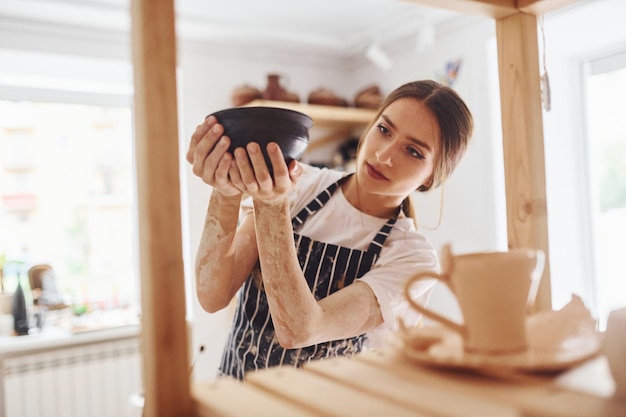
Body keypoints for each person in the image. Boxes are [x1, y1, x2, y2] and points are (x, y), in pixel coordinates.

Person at [186, 80, 474, 380]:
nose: (383, 155)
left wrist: (272, 205)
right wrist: (226, 192)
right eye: (384, 130)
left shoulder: (412, 259)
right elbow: (212, 295)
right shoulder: (303, 186)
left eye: (413, 151)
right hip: (235, 400)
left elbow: (300, 330)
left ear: (432, 178)